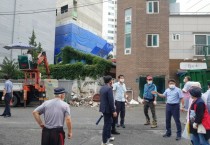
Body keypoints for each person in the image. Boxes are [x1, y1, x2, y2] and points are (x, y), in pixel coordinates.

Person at [100, 75, 117, 145]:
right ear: (110, 81)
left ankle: (109, 136)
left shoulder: (102, 88)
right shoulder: (109, 89)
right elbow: (111, 101)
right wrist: (113, 111)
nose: (112, 81)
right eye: (112, 80)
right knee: (107, 125)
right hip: (108, 110)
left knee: (109, 122)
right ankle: (104, 142)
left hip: (104, 109)